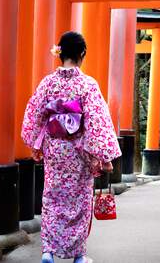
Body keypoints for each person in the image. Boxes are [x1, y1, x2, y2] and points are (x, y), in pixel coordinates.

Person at [21, 31, 122, 263]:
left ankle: (48, 251)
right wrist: (104, 157)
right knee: (79, 200)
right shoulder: (87, 84)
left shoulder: (47, 82)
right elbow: (97, 121)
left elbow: (34, 114)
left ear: (60, 53)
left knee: (52, 198)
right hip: (79, 150)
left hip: (54, 149)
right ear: (82, 54)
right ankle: (78, 255)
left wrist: (36, 145)